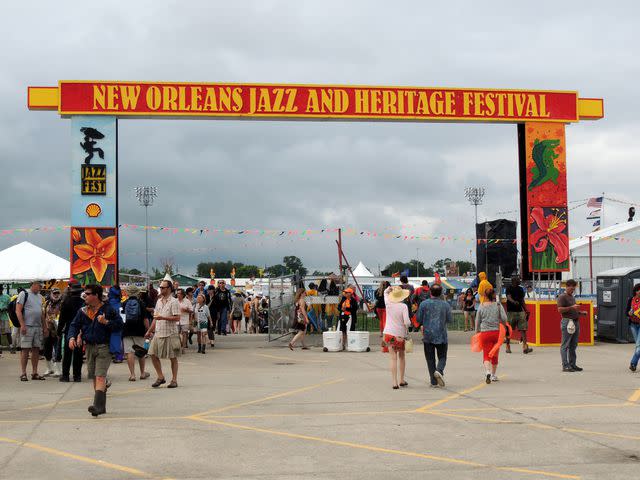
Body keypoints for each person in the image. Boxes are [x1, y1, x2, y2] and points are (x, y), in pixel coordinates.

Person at [68, 284, 123, 416]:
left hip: (104, 347)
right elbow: (74, 325)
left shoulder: (108, 310)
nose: (85, 296)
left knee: (99, 376)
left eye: (87, 293)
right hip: (89, 347)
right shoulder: (82, 311)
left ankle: (97, 407)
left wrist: (106, 322)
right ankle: (101, 406)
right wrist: (71, 337)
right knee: (94, 377)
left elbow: (120, 325)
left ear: (96, 296)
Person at [145, 279, 181, 388]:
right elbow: (156, 319)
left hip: (170, 333)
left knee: (173, 357)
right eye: (160, 287)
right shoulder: (159, 301)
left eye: (162, 287)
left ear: (169, 288)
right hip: (158, 332)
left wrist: (163, 317)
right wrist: (149, 331)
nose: (160, 289)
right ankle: (160, 377)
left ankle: (174, 380)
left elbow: (177, 318)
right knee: (152, 354)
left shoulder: (174, 301)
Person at [416, 284, 451, 388]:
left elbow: (418, 319)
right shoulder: (446, 305)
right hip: (441, 335)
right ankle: (439, 370)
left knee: (430, 359)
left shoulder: (423, 304)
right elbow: (450, 320)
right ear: (441, 293)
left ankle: (433, 381)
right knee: (442, 357)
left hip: (428, 335)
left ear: (430, 292)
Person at [475, 288, 508, 384]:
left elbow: (477, 321)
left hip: (485, 333)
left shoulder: (481, 306)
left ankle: (487, 371)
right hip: (496, 333)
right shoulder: (498, 305)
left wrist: (477, 332)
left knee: (486, 354)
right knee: (495, 354)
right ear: (494, 295)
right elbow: (504, 318)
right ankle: (493, 375)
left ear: (485, 296)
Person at [16, 281, 46, 381]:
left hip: (38, 327)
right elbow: (18, 310)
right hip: (27, 326)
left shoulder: (40, 296)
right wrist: (22, 324)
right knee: (25, 350)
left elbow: (41, 313)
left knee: (36, 350)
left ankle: (34, 372)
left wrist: (44, 327)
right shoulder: (24, 294)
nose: (41, 287)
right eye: (39, 285)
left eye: (41, 286)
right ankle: (23, 373)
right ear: (33, 284)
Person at [382, 286, 411, 389]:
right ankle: (401, 380)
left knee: (392, 358)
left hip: (388, 334)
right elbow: (407, 322)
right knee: (401, 357)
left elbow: (385, 293)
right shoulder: (403, 307)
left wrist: (388, 289)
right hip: (399, 335)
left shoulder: (388, 304)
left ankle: (394, 382)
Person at [121, 285, 151, 381]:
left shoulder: (123, 304)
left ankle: (132, 375)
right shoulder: (141, 303)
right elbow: (145, 319)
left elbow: (121, 319)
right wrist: (149, 330)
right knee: (140, 352)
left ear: (128, 293)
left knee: (129, 352)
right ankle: (142, 373)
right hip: (139, 330)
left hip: (126, 331)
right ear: (137, 293)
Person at [557, 279, 587, 372]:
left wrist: (580, 312)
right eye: (571, 287)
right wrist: (571, 307)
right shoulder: (562, 297)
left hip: (575, 321)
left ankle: (572, 364)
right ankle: (565, 365)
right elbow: (560, 310)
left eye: (574, 288)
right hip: (567, 322)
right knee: (565, 345)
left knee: (573, 344)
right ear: (567, 286)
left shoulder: (572, 297)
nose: (573, 289)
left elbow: (573, 309)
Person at [57, 282, 85, 382]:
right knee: (78, 354)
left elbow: (62, 319)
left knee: (67, 354)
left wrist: (59, 331)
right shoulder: (83, 302)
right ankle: (77, 376)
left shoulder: (66, 302)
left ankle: (65, 375)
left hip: (69, 328)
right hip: (80, 331)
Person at [505, 277, 532, 354]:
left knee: (523, 329)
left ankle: (525, 346)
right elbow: (508, 297)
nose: (520, 281)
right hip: (511, 312)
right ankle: (507, 346)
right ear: (514, 281)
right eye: (518, 280)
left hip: (520, 311)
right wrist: (513, 302)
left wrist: (526, 310)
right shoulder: (509, 288)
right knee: (509, 330)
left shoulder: (520, 289)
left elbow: (522, 300)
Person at [42, 288, 62, 376]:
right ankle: (49, 369)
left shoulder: (62, 303)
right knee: (47, 349)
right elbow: (43, 315)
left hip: (58, 330)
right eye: (54, 293)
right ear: (51, 294)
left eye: (58, 293)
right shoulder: (46, 303)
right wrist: (44, 327)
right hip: (47, 329)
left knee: (58, 350)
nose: (56, 295)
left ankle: (58, 370)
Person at [626, 284, 640, 371]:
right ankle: (633, 364)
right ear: (635, 291)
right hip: (633, 325)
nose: (639, 291)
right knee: (638, 345)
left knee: (639, 345)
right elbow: (626, 312)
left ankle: (633, 363)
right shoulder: (631, 299)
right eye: (638, 290)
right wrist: (629, 313)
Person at [0, 285, 11, 357]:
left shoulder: (7, 297)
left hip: (5, 317)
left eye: (0, 289)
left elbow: (10, 307)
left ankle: (11, 346)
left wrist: (5, 308)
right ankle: (0, 347)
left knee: (8, 332)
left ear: (2, 289)